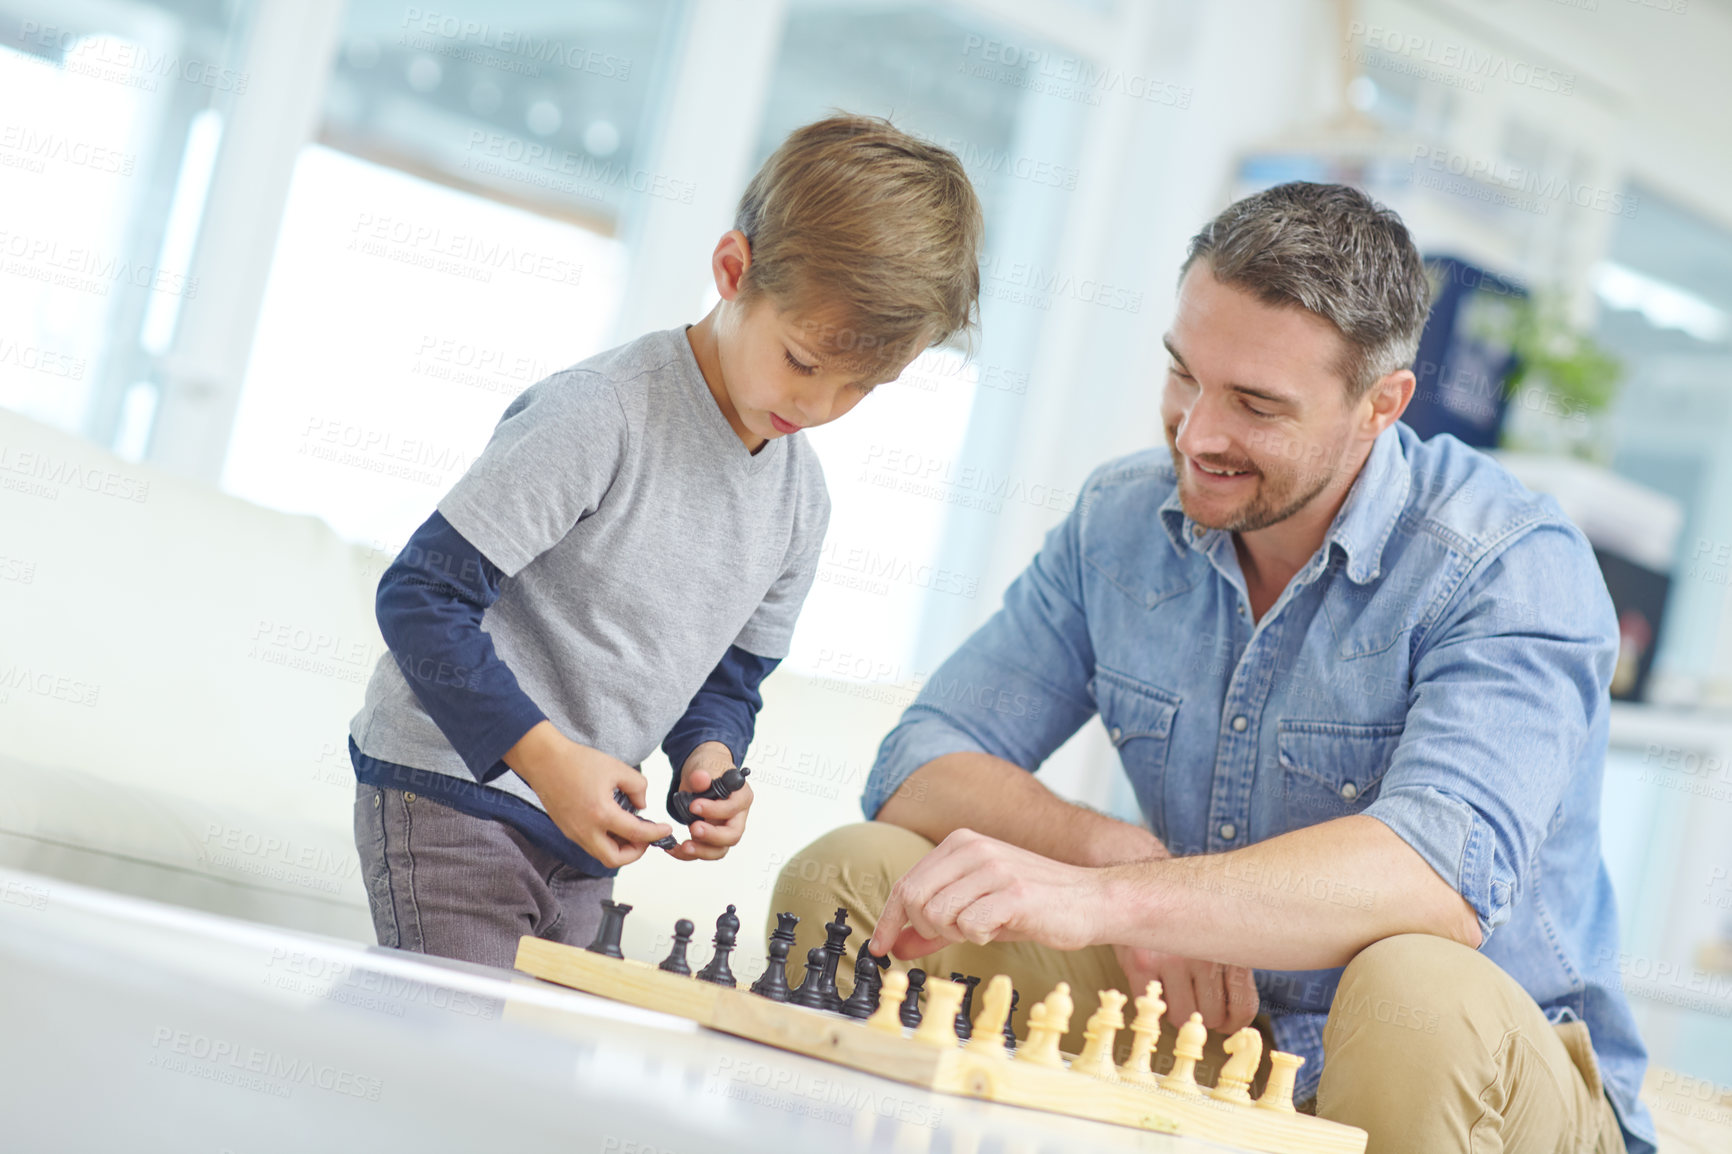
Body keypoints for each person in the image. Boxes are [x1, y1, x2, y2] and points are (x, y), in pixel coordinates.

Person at [774, 182, 1655, 1154]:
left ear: (1380, 407)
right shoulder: (1118, 521)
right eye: (1182, 375)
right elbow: (920, 758)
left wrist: (1108, 901)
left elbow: (1432, 874)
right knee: (854, 874)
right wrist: (1118, 856)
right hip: (1208, 1029)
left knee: (1410, 986)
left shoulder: (1507, 560)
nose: (1194, 433)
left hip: (1478, 1073)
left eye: (1254, 405)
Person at [348, 115, 983, 970]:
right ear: (733, 272)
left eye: (862, 387)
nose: (823, 406)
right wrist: (545, 761)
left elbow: (727, 680)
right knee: (449, 1050)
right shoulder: (602, 414)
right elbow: (420, 597)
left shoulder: (802, 502)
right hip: (454, 792)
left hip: (583, 826)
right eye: (801, 360)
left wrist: (709, 761)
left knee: (517, 1079)